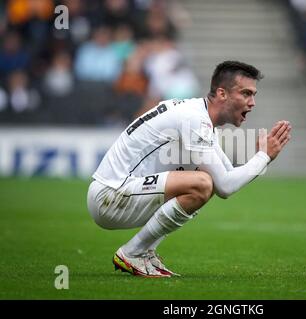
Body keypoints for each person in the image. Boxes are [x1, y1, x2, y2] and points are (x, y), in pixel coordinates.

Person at [86, 61, 292, 277]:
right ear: (222, 94)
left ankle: (144, 252)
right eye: (246, 94)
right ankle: (132, 252)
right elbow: (226, 187)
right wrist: (264, 156)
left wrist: (261, 157)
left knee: (206, 180)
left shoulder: (198, 116)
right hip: (109, 196)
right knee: (203, 183)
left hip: (121, 193)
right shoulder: (194, 119)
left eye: (254, 95)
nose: (253, 103)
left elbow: (227, 175)